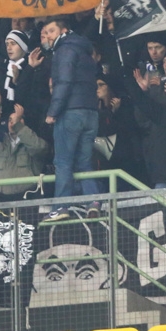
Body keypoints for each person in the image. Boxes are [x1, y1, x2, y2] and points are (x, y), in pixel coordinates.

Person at [42, 19, 100, 221]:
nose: (48, 35)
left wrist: (53, 111)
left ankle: (61, 207)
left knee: (64, 162)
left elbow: (64, 82)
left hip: (71, 112)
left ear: (64, 30)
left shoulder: (65, 50)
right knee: (84, 161)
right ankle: (93, 201)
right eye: (45, 32)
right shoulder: (84, 50)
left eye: (51, 30)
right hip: (91, 112)